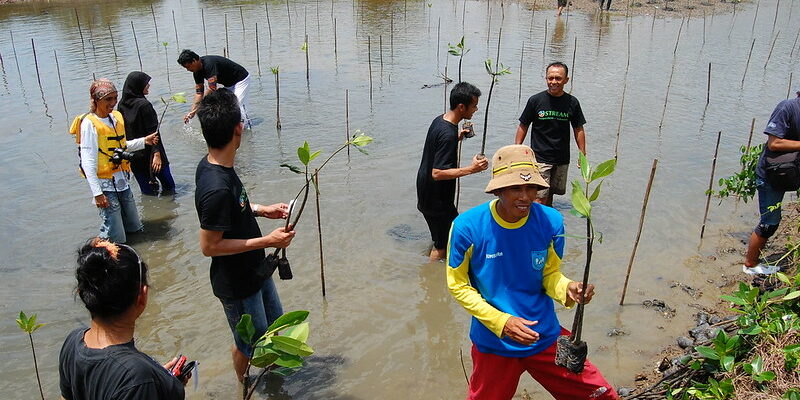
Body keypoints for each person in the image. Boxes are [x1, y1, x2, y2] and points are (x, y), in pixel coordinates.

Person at [446, 145, 618, 400]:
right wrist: (502, 322)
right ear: (498, 190)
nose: (525, 197)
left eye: (531, 188)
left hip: (544, 335)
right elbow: (458, 286)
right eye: (516, 188)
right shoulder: (467, 227)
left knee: (602, 395)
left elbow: (549, 275)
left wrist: (568, 289)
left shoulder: (551, 220)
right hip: (495, 342)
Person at [193, 89, 295, 382]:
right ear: (238, 129)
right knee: (248, 344)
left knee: (275, 328)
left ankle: (274, 379)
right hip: (236, 284)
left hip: (256, 270)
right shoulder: (215, 186)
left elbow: (232, 209)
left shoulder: (216, 165)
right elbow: (209, 246)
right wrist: (268, 241)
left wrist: (262, 210)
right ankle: (244, 386)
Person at [59, 238, 187, 399]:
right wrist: (147, 384)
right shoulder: (137, 378)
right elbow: (128, 381)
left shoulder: (72, 342)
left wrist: (160, 381)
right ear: (142, 296)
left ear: (82, 293)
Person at [69, 79, 159, 243]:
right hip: (105, 185)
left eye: (115, 98)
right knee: (115, 233)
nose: (113, 103)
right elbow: (88, 161)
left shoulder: (115, 117)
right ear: (96, 100)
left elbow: (121, 146)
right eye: (108, 99)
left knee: (135, 226)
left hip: (122, 180)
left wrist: (144, 141)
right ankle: (101, 250)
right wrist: (97, 193)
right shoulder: (89, 124)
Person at [416, 82, 489, 261]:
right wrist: (471, 169)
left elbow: (438, 145)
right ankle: (430, 274)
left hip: (428, 192)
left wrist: (458, 137)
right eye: (474, 105)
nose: (476, 109)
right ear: (461, 107)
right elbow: (437, 173)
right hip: (436, 199)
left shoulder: (441, 120)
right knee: (442, 244)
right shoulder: (447, 133)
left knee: (452, 232)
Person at [515, 62, 586, 207]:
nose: (553, 82)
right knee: (539, 197)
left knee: (551, 193)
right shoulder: (535, 100)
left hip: (561, 158)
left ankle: (548, 220)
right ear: (546, 78)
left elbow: (578, 128)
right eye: (550, 78)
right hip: (540, 158)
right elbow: (524, 125)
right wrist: (516, 149)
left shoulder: (572, 102)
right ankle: (535, 220)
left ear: (566, 80)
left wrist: (582, 153)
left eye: (558, 78)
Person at [743, 92, 800, 275]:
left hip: (791, 172)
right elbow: (774, 143)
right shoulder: (787, 107)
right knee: (769, 222)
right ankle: (750, 264)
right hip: (771, 175)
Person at [118, 71, 176, 196]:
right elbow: (154, 132)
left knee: (148, 193)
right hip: (152, 153)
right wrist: (157, 155)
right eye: (146, 83)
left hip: (134, 155)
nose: (148, 85)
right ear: (138, 85)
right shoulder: (144, 105)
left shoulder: (121, 105)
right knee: (170, 188)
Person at [177, 49, 252, 128]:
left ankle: (247, 127)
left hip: (241, 80)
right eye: (186, 68)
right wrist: (192, 112)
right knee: (226, 107)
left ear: (194, 60)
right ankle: (235, 128)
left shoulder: (209, 64)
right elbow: (199, 93)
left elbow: (212, 88)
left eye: (188, 66)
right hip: (229, 84)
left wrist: (200, 106)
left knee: (237, 104)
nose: (188, 70)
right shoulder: (196, 72)